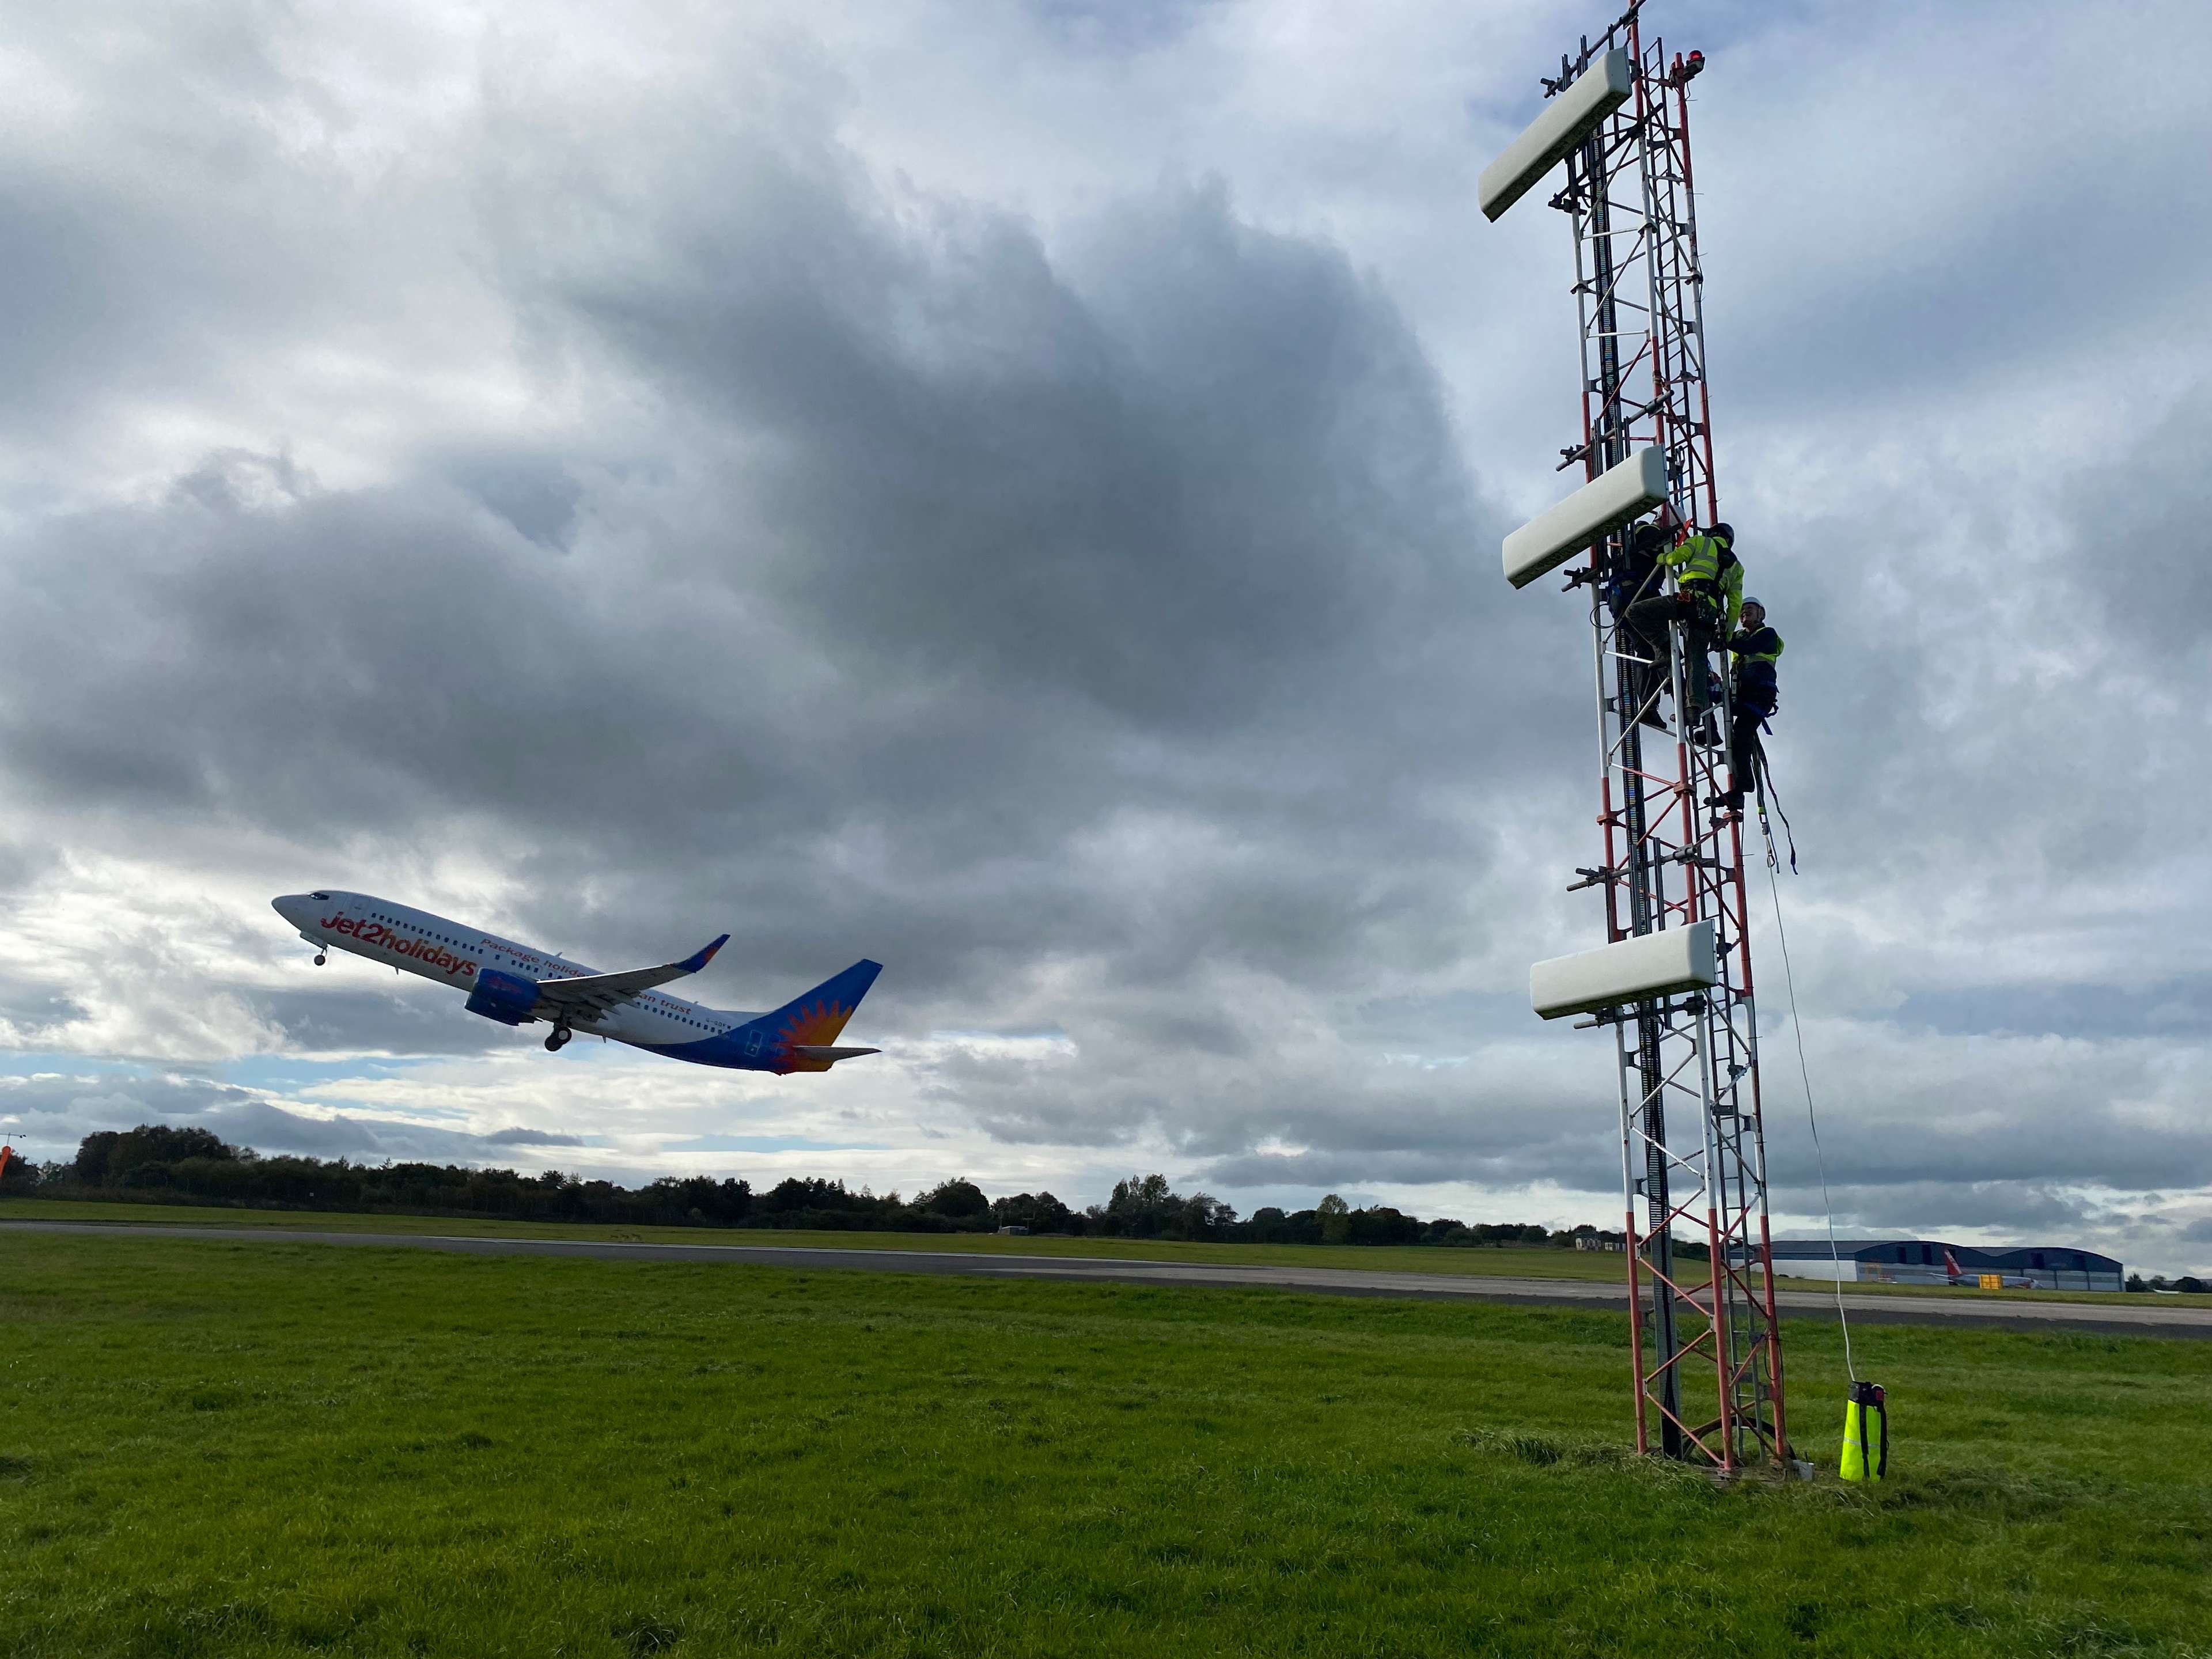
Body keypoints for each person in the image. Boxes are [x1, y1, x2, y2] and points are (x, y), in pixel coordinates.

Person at [1626, 521, 1738, 725]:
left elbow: (1675, 558)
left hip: (1688, 600)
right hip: (1709, 613)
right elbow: (1735, 604)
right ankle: (1694, 711)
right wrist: (1727, 634)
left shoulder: (1700, 542)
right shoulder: (1737, 567)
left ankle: (1664, 646)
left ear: (1713, 533)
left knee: (1635, 612)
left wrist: (1660, 558)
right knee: (1697, 660)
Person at [1725, 598, 1782, 809]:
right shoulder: (1738, 636)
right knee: (1737, 737)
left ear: (1761, 614)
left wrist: (1724, 638)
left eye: (1749, 610)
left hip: (1759, 695)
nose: (1744, 614)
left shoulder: (1768, 635)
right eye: (1741, 613)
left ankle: (1743, 787)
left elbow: (1748, 648)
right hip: (1740, 694)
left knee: (1742, 735)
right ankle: (1708, 729)